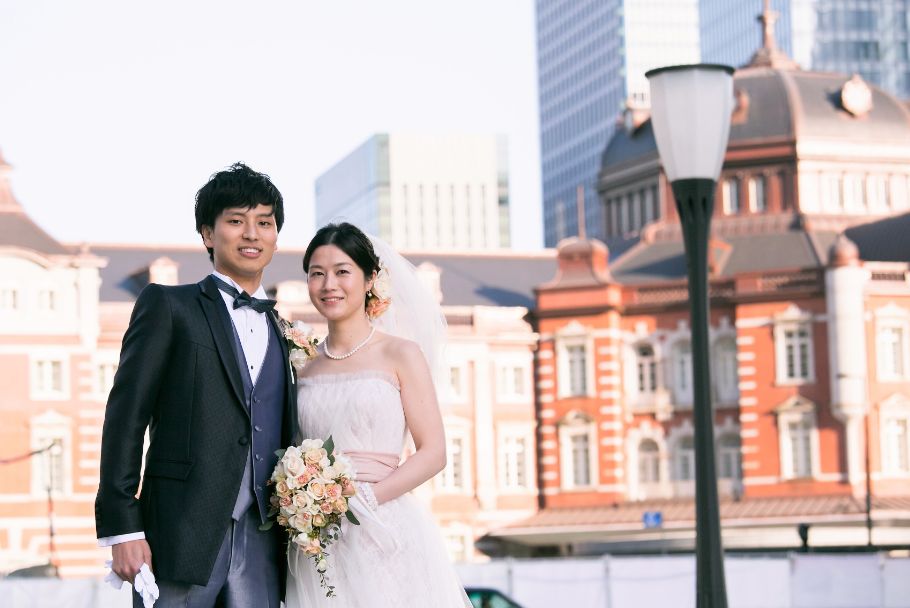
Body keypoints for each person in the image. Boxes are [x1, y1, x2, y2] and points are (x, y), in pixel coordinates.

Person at [95, 162, 296, 608]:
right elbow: (125, 418)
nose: (252, 234)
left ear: (275, 237)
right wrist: (124, 527)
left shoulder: (286, 331)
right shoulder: (169, 306)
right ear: (208, 234)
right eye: (236, 221)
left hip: (263, 541)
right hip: (179, 536)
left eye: (264, 223)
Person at [285, 222, 471, 607]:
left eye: (341, 272)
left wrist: (365, 499)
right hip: (319, 534)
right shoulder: (302, 364)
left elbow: (433, 451)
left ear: (370, 279)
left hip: (385, 525)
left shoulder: (401, 354)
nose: (328, 285)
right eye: (316, 274)